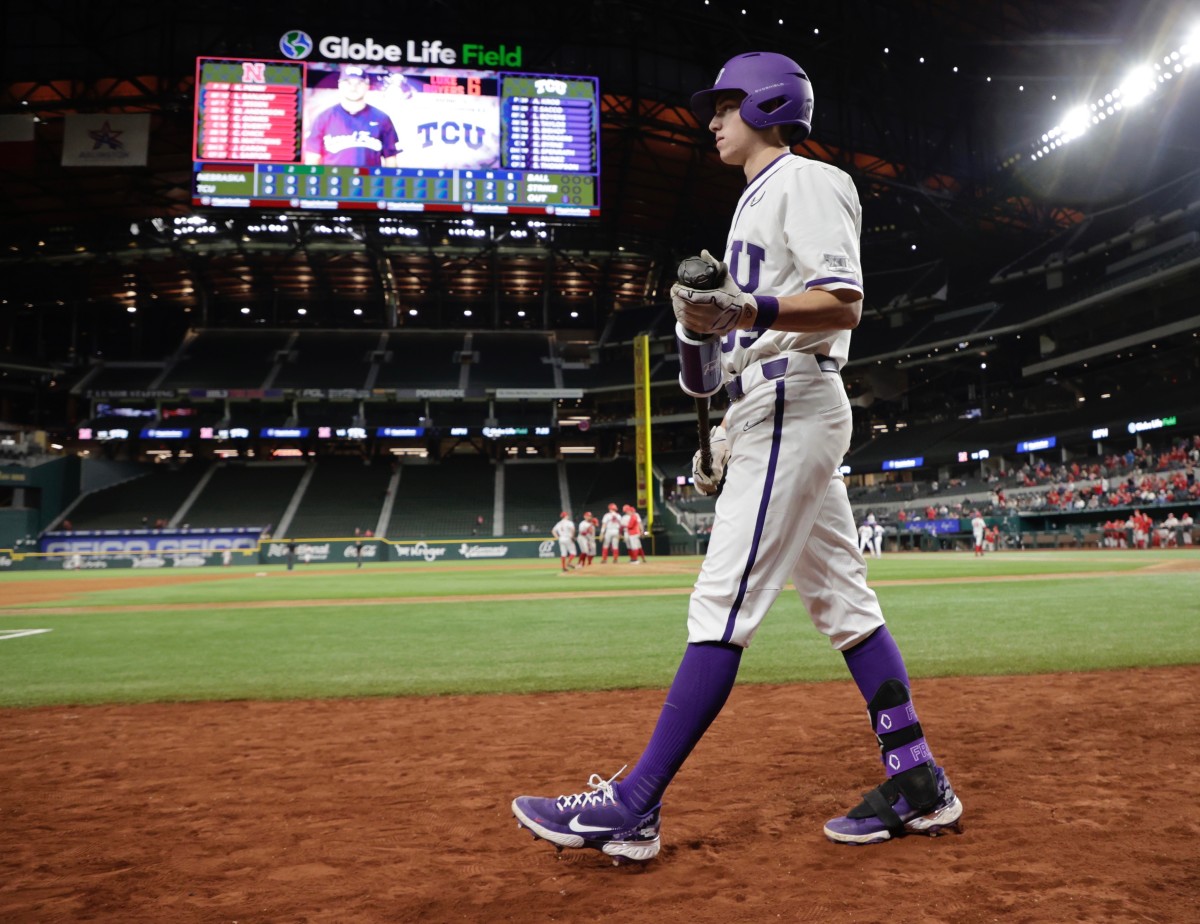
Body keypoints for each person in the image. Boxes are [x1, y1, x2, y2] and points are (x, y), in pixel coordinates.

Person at [512, 52, 962, 862]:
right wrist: (697, 332)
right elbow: (709, 369)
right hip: (765, 404)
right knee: (845, 609)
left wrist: (743, 307)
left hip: (795, 400)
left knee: (721, 605)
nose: (710, 120)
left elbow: (844, 300)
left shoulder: (806, 179)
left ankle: (635, 805)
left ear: (768, 102)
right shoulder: (752, 204)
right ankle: (917, 777)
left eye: (722, 105)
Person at [303, 65, 400, 168]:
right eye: (348, 82)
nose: (353, 87)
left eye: (359, 83)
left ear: (367, 86)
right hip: (334, 181)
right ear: (340, 85)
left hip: (369, 181)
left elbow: (391, 161)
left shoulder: (382, 118)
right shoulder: (324, 118)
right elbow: (312, 159)